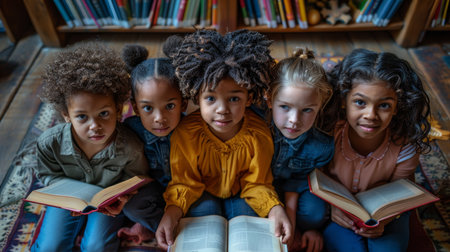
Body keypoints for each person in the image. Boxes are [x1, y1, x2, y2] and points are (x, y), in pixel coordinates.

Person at [155, 29, 292, 250]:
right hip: (201, 193)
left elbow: (257, 183)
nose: (222, 110)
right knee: (200, 222)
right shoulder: (186, 133)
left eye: (234, 98)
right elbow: (185, 183)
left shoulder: (258, 134)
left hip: (243, 193)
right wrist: (171, 212)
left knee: (251, 225)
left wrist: (274, 208)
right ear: (195, 97)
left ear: (249, 98)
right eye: (210, 98)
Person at [31, 42, 150, 252]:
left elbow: (135, 179)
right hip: (67, 199)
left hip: (107, 204)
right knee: (50, 246)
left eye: (104, 114)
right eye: (82, 117)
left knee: (98, 246)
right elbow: (48, 175)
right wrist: (70, 195)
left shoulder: (130, 146)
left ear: (118, 109)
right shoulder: (49, 143)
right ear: (67, 116)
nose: (94, 126)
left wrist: (122, 199)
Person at [322, 48, 431, 252]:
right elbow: (315, 175)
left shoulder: (405, 144)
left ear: (398, 106)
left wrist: (386, 220)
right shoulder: (329, 131)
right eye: (360, 102)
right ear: (344, 100)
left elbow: (400, 189)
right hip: (338, 207)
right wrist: (331, 207)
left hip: (387, 209)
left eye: (384, 105)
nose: (370, 115)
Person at [116, 44, 187, 244]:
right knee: (132, 207)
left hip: (188, 190)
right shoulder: (129, 130)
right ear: (135, 108)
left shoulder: (193, 128)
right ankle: (163, 230)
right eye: (148, 108)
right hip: (154, 190)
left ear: (184, 103)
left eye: (170, 106)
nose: (159, 118)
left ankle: (172, 226)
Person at [266, 48, 334, 252]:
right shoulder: (255, 129)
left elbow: (296, 183)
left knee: (316, 213)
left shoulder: (321, 145)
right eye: (285, 107)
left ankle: (311, 232)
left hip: (295, 188)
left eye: (307, 110)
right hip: (260, 186)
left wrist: (292, 224)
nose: (295, 120)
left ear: (320, 105)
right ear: (269, 100)